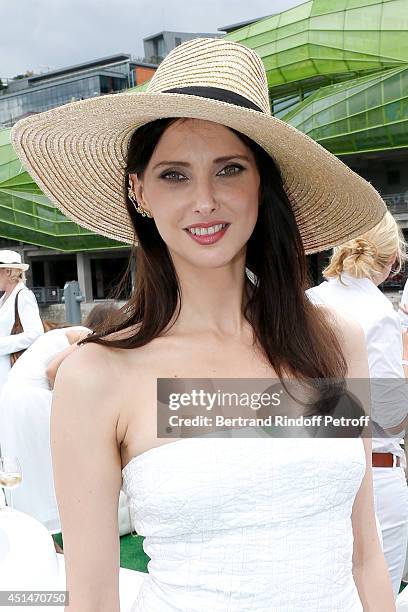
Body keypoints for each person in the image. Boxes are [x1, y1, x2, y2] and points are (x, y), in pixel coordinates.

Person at [12, 37, 394, 611]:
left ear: (261, 186)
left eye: (229, 169)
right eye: (174, 175)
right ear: (138, 190)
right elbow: (91, 599)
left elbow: (365, 552)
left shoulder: (334, 341)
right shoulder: (99, 372)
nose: (206, 200)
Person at [307, 210, 408, 598]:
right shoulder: (378, 313)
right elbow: (392, 418)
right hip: (375, 477)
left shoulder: (309, 300)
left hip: (320, 474)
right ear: (389, 260)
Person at [0, 304, 119, 551]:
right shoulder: (89, 336)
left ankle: (46, 542)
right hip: (34, 400)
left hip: (11, 399)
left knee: (31, 473)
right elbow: (52, 369)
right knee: (57, 467)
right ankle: (75, 536)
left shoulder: (67, 333)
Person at [0, 249, 43, 394]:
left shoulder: (24, 295)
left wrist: (2, 344)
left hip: (12, 372)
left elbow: (35, 333)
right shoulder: (4, 298)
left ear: (7, 272)